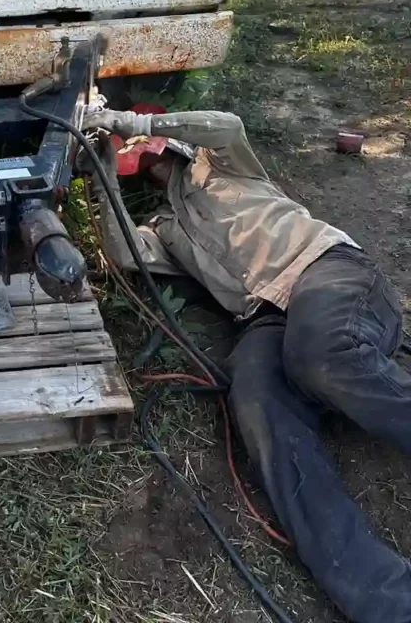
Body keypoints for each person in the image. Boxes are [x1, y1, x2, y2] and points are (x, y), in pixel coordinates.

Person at [82, 107, 411, 623]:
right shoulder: (164, 228)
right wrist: (101, 179)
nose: (134, 153)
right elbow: (124, 252)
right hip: (264, 318)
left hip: (326, 272)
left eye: (136, 145)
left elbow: (228, 124)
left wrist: (133, 123)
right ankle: (385, 598)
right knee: (256, 404)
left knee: (320, 355)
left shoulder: (223, 163)